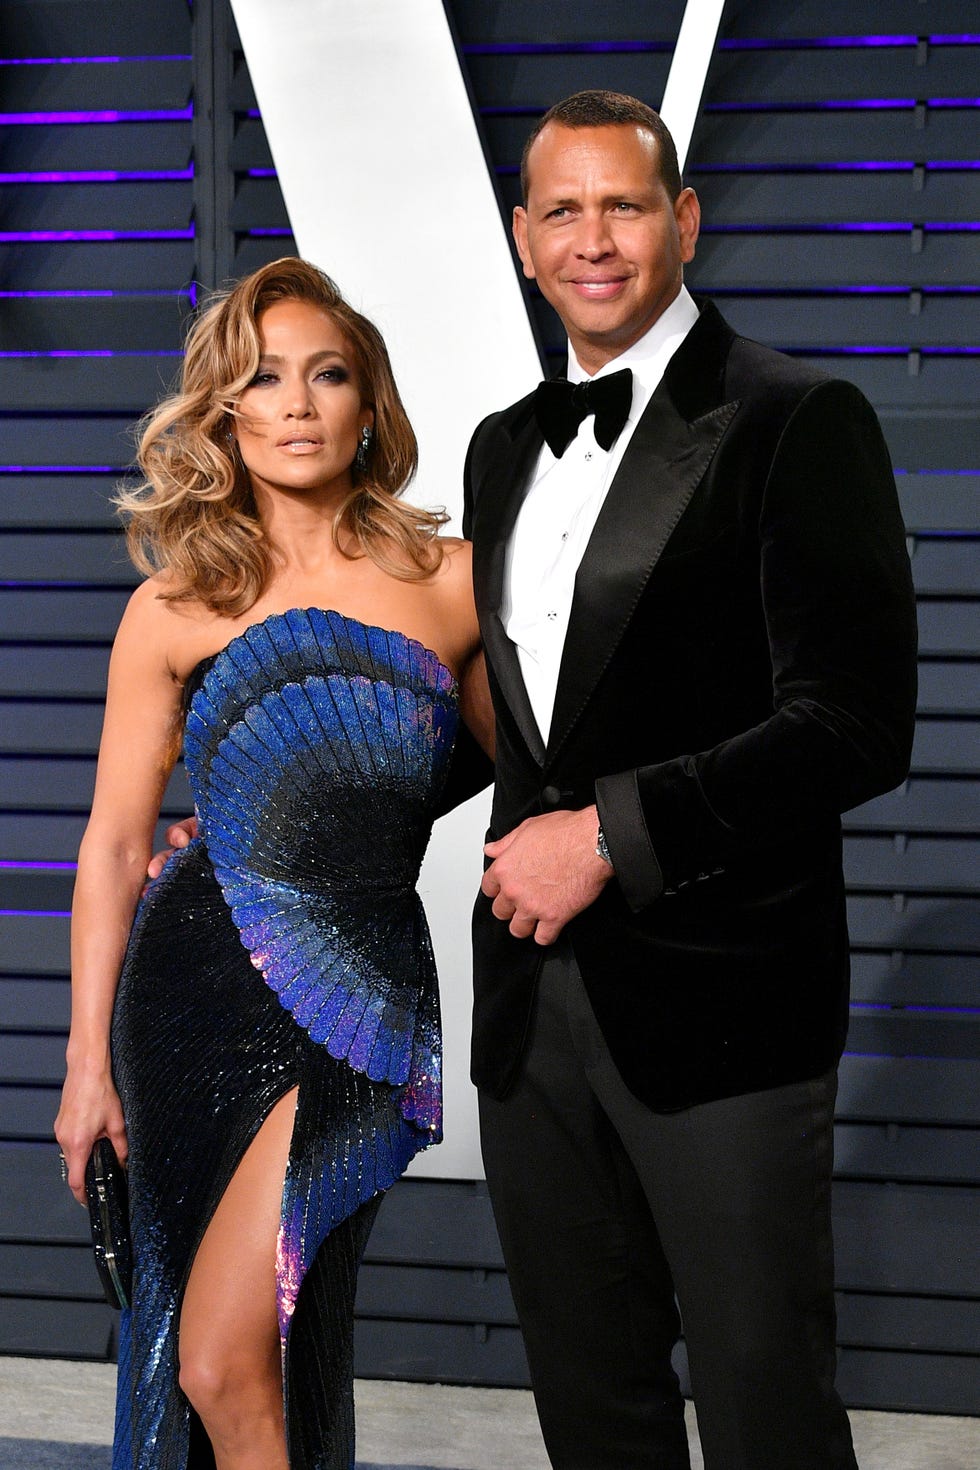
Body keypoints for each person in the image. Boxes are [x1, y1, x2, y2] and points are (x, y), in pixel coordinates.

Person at [466, 92, 918, 1469]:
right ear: (525, 237)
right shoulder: (497, 446)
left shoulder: (798, 416)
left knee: (764, 1404)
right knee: (592, 1410)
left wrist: (608, 836)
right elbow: (525, 723)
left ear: (684, 222)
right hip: (531, 1010)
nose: (593, 238)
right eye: (563, 209)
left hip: (726, 1005)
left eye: (625, 204)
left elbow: (853, 721)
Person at [54, 257, 493, 1470]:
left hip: (356, 995)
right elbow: (112, 844)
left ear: (367, 405)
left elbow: (537, 773)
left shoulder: (450, 586)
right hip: (188, 987)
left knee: (225, 1354)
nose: (296, 404)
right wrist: (87, 1063)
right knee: (214, 1351)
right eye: (263, 379)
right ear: (224, 412)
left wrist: (333, 807)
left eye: (326, 374)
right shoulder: (178, 602)